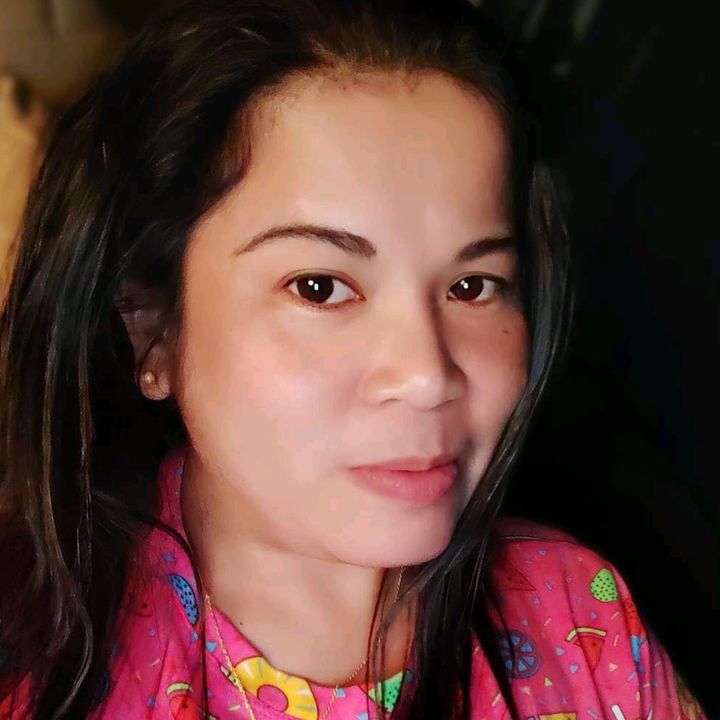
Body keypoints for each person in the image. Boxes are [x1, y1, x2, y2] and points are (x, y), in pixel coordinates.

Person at [0, 1, 707, 718]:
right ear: (153, 330)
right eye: (320, 287)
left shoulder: (584, 617)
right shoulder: (39, 674)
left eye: (472, 286)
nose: (426, 375)